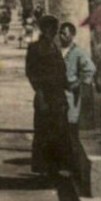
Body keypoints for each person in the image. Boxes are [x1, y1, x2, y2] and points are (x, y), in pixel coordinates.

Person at [25, 14, 67, 176]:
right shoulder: (35, 48)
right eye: (54, 28)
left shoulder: (54, 46)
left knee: (57, 130)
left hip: (57, 94)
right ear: (47, 29)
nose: (56, 31)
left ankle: (54, 167)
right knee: (43, 130)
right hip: (44, 94)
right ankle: (43, 167)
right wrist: (39, 92)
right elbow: (31, 72)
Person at [58, 21, 98, 165]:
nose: (62, 36)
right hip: (57, 96)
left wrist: (78, 82)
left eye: (65, 33)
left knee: (71, 128)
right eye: (60, 33)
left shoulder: (78, 52)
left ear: (72, 36)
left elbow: (90, 69)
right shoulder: (57, 51)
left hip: (70, 95)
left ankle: (73, 163)